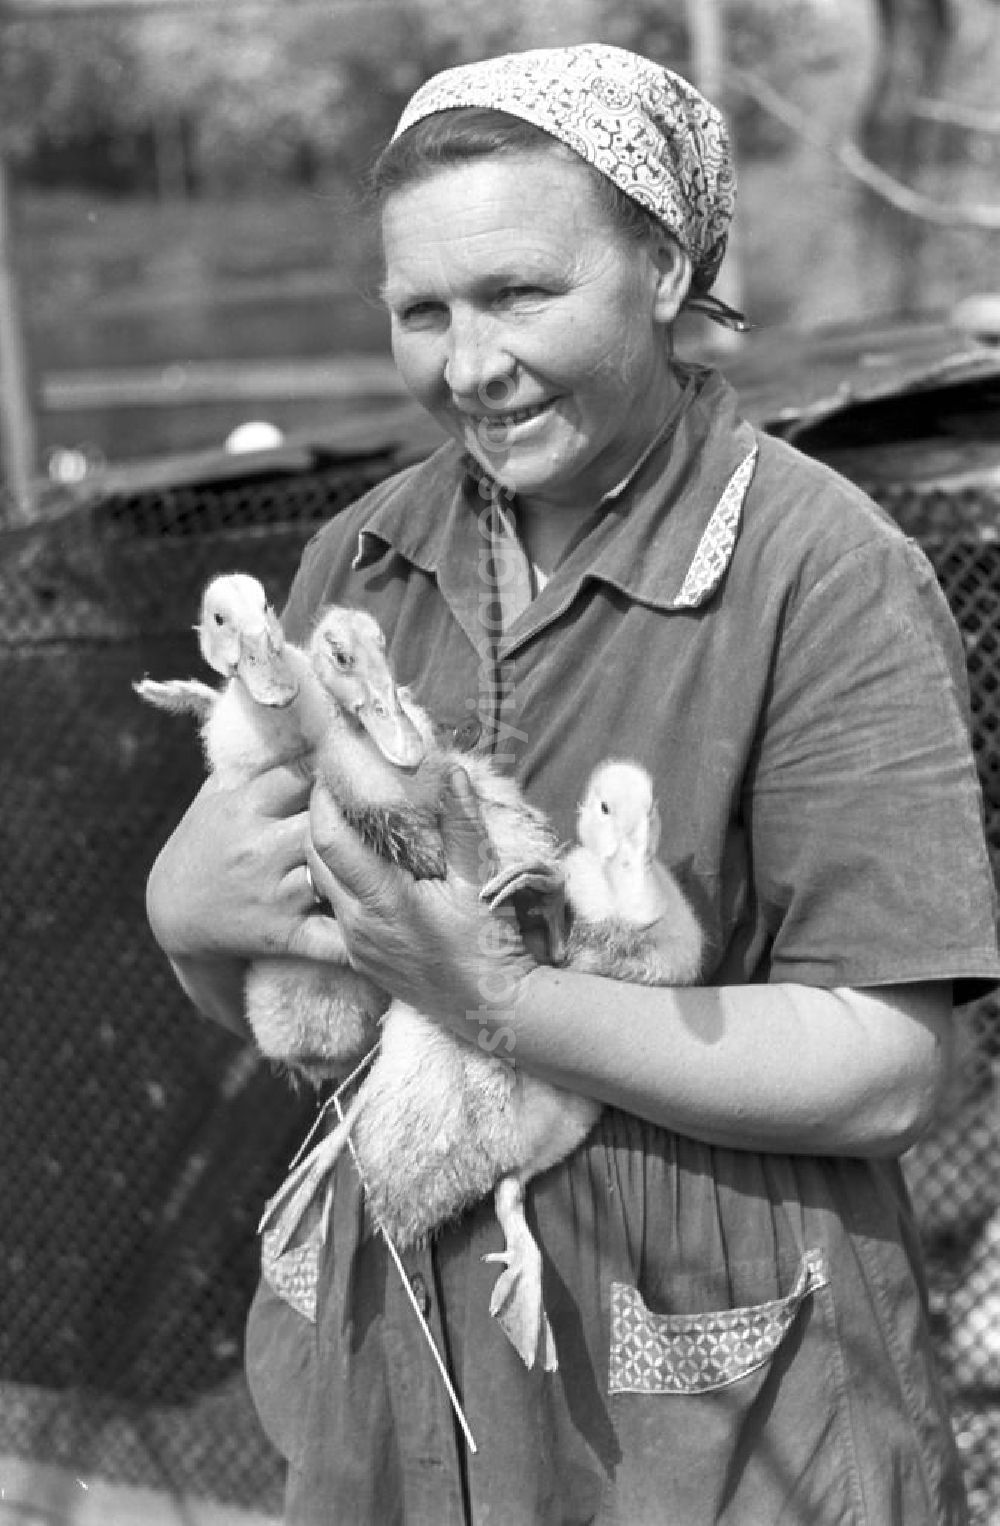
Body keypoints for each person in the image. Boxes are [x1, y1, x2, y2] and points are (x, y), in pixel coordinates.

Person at [145, 42, 1000, 1526]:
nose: (468, 364)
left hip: (709, 1405)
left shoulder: (825, 575)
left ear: (663, 268)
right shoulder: (359, 559)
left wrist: (508, 1004)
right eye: (423, 310)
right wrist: (190, 917)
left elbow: (896, 1069)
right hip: (396, 1359)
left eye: (521, 293)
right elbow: (313, 1018)